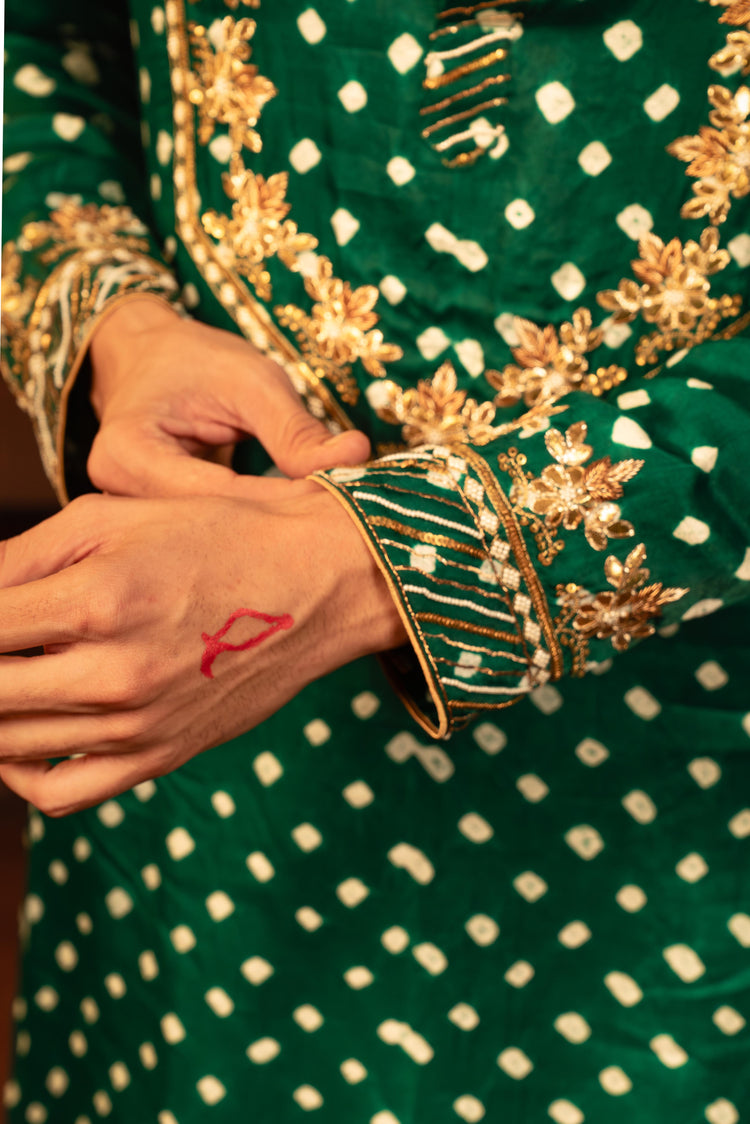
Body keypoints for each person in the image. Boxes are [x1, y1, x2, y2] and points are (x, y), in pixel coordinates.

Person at [2, 0, 750, 1120]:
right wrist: (117, 326)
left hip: (690, 791)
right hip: (190, 709)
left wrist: (375, 557)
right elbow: (36, 36)